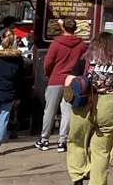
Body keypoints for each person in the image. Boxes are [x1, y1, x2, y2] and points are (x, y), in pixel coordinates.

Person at [66, 32, 113, 185]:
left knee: (77, 141)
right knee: (103, 148)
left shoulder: (85, 60)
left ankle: (77, 181)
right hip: (108, 103)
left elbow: (70, 81)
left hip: (84, 103)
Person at [36, 18, 87, 152]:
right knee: (67, 112)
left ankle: (44, 140)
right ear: (75, 29)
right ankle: (62, 142)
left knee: (50, 111)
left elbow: (48, 62)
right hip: (71, 80)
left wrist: (48, 74)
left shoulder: (56, 43)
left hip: (55, 79)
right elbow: (84, 62)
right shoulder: (81, 45)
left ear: (63, 27)